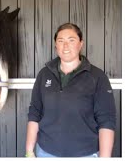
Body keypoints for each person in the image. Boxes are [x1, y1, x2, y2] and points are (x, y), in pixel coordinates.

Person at [25, 23, 116, 157]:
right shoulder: (44, 74)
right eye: (60, 41)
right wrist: (29, 152)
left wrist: (105, 158)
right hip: (46, 153)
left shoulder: (98, 77)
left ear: (81, 44)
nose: (65, 46)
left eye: (71, 40)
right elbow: (35, 113)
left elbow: (106, 121)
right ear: (56, 45)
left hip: (86, 154)